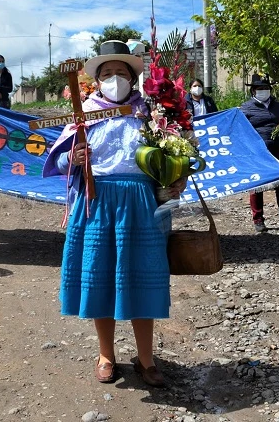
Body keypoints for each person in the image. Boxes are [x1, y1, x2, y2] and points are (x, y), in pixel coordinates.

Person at [42, 40, 180, 388]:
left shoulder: (150, 114)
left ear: (133, 79)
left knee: (141, 277)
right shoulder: (83, 112)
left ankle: (146, 359)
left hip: (140, 205)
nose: (114, 78)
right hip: (96, 202)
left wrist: (176, 180)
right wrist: (72, 159)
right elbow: (59, 160)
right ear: (97, 79)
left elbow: (172, 156)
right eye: (107, 73)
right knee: (101, 278)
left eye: (121, 72)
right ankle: (106, 355)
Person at [239, 74, 279, 232]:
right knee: (257, 185)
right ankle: (258, 220)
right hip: (256, 152)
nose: (263, 91)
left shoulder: (278, 106)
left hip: (277, 148)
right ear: (253, 91)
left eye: (266, 88)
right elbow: (240, 130)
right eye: (260, 88)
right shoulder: (245, 108)